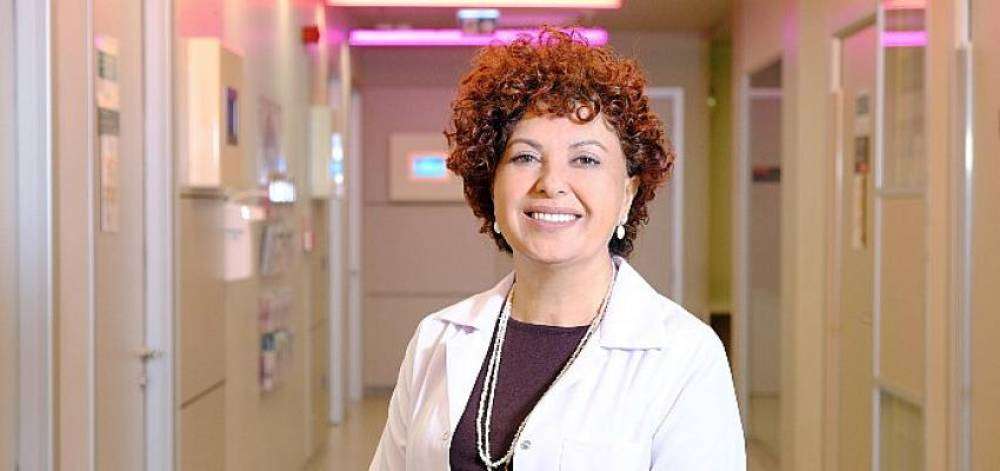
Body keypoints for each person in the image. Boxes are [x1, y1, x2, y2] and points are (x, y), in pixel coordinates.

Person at [370, 28, 745, 470]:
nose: (551, 183)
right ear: (491, 185)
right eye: (525, 157)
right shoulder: (437, 338)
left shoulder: (685, 355)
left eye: (585, 159)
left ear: (627, 193)